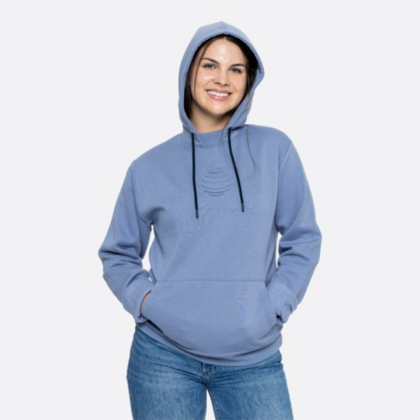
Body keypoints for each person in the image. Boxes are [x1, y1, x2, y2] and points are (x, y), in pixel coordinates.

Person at [98, 21, 322, 420]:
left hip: (252, 359)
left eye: (236, 69)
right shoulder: (147, 167)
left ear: (249, 81)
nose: (222, 79)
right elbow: (117, 254)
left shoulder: (275, 150)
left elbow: (303, 239)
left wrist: (274, 306)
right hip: (162, 357)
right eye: (210, 65)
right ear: (189, 73)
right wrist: (148, 302)